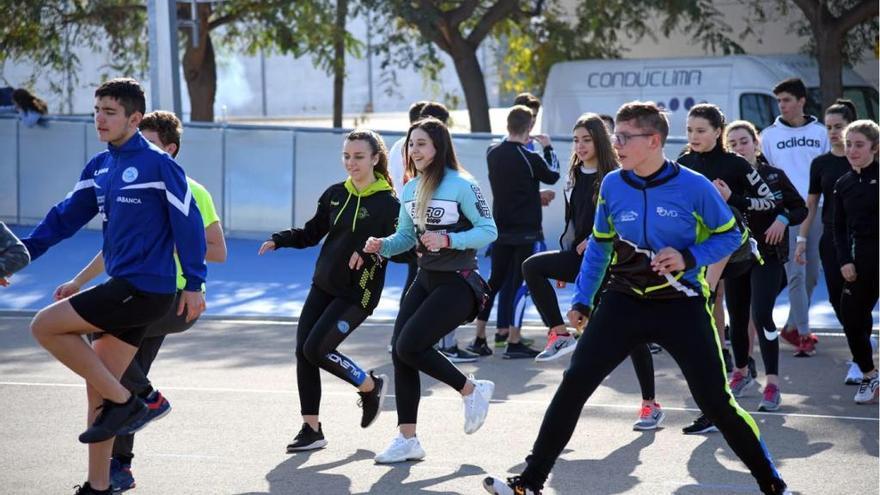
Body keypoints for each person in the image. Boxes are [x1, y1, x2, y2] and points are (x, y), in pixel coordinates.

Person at [481, 101, 790, 495]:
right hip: (622, 301)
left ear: (654, 141)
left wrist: (688, 256)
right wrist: (582, 301)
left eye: (625, 138)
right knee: (573, 384)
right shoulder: (612, 185)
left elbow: (733, 235)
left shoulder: (694, 186)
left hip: (681, 303)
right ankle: (529, 482)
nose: (617, 144)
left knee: (716, 403)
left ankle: (773, 484)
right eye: (616, 137)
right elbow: (599, 247)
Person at [19, 78, 207, 495]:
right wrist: (23, 253)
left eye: (110, 112)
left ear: (134, 119)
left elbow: (189, 225)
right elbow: (65, 216)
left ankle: (130, 402)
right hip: (124, 285)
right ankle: (99, 485)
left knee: (43, 326)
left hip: (147, 290)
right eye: (97, 110)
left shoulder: (161, 164)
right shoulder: (101, 166)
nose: (100, 119)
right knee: (97, 394)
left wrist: (194, 282)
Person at [50, 110, 227, 492]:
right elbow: (115, 247)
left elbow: (216, 250)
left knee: (98, 341)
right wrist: (79, 280)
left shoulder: (192, 189)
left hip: (171, 297)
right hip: (133, 292)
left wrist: (166, 250)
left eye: (147, 141)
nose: (137, 148)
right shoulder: (122, 179)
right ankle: (119, 467)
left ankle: (146, 399)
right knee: (111, 376)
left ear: (170, 149)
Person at [364, 117, 497, 464]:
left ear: (439, 147)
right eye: (411, 144)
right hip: (424, 279)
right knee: (399, 350)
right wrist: (383, 245)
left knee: (410, 345)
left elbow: (489, 230)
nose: (414, 150)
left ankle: (471, 390)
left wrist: (449, 239)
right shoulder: (409, 189)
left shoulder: (463, 184)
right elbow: (406, 237)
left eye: (421, 143)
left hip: (459, 281)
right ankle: (408, 440)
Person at [259, 129, 400, 452]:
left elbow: (402, 249)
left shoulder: (389, 204)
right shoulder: (336, 193)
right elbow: (312, 233)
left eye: (359, 157)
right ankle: (311, 429)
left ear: (375, 159)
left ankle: (369, 385)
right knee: (303, 352)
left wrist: (370, 251)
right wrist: (281, 239)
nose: (351, 163)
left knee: (317, 349)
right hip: (323, 285)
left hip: (358, 294)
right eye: (347, 156)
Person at [523, 113, 663, 430]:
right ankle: (558, 334)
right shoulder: (574, 173)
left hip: (610, 262)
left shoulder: (614, 175)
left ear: (599, 140)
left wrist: (597, 240)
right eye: (575, 140)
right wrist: (566, 256)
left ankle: (649, 404)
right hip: (578, 258)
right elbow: (573, 221)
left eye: (586, 139)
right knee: (533, 267)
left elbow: (626, 218)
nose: (580, 145)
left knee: (633, 336)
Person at [677, 104, 780, 434]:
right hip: (694, 255)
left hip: (732, 253)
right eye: (690, 130)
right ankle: (717, 404)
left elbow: (770, 201)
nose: (694, 137)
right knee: (703, 331)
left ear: (717, 132)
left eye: (701, 131)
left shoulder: (735, 163)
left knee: (728, 318)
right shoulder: (682, 163)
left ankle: (727, 399)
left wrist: (733, 197)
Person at [724, 119, 807, 412]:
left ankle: (772, 384)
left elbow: (800, 208)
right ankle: (742, 373)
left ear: (757, 143)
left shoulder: (773, 175)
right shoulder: (725, 181)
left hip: (767, 257)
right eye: (732, 144)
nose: (739, 147)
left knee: (761, 314)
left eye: (744, 141)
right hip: (735, 257)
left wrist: (783, 220)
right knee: (735, 319)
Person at [470, 105, 560, 359]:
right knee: (521, 284)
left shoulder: (493, 152)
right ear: (529, 128)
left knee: (494, 282)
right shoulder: (529, 157)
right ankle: (514, 340)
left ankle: (479, 337)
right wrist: (548, 147)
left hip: (500, 229)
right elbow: (553, 175)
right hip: (526, 231)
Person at [760, 77, 829, 356]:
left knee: (812, 275)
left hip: (818, 210)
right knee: (797, 275)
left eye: (787, 100)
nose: (782, 105)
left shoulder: (821, 132)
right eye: (779, 101)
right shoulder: (769, 135)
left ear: (802, 101)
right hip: (787, 213)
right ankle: (803, 334)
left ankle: (789, 326)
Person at [796, 100, 862, 380]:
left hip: (866, 239)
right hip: (831, 239)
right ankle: (860, 348)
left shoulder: (865, 159)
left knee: (860, 299)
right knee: (839, 301)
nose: (834, 132)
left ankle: (860, 361)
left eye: (839, 127)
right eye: (829, 127)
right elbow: (810, 206)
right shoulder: (820, 163)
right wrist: (801, 239)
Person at [834, 120, 879, 404]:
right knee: (850, 314)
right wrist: (845, 261)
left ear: (875, 147)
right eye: (849, 144)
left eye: (859, 145)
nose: (852, 150)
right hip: (861, 258)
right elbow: (838, 228)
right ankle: (870, 375)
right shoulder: (843, 183)